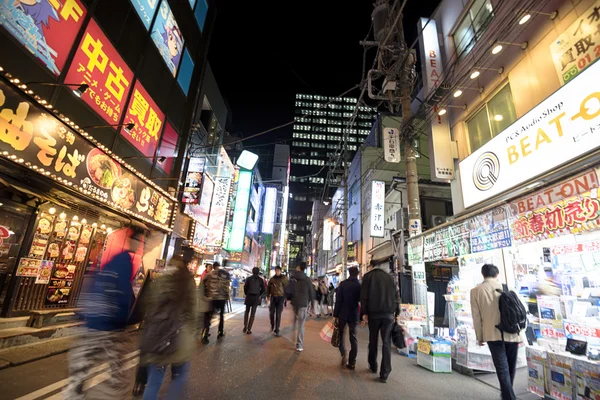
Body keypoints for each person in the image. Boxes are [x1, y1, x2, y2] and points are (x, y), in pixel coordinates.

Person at [64, 228, 144, 399]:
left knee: (80, 371)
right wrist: (123, 321)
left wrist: (84, 313)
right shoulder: (125, 263)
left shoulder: (114, 260)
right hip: (109, 327)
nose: (141, 246)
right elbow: (121, 294)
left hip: (92, 322)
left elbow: (95, 284)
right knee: (119, 377)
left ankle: (74, 394)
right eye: (141, 242)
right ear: (135, 242)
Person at [140, 256, 197, 400]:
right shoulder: (187, 281)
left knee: (153, 383)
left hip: (157, 336)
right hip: (179, 337)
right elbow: (193, 310)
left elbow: (147, 306)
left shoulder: (159, 280)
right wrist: (193, 331)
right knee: (178, 378)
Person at [470, 264, 522, 400]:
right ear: (497, 274)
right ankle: (507, 395)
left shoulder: (476, 291)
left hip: (492, 333)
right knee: (510, 367)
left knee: (502, 368)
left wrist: (479, 336)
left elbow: (476, 316)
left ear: (483, 274)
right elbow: (519, 309)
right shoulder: (507, 287)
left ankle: (508, 396)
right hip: (512, 332)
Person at [360, 261, 399, 383]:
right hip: (388, 315)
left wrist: (364, 313)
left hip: (374, 314)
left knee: (373, 340)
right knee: (386, 343)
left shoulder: (368, 276)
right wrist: (396, 312)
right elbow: (396, 295)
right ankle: (385, 372)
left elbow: (364, 296)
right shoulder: (389, 277)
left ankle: (373, 365)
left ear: (371, 266)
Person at [334, 267, 361, 369]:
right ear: (357, 274)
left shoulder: (343, 284)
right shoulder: (359, 285)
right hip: (353, 314)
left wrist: (335, 315)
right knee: (353, 337)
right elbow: (361, 301)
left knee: (340, 335)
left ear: (349, 273)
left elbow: (338, 300)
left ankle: (343, 354)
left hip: (342, 313)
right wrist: (362, 316)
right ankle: (352, 362)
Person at [204, 260, 231, 338]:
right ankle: (220, 332)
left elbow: (205, 285)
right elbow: (227, 286)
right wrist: (227, 296)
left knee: (209, 315)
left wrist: (207, 295)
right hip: (222, 298)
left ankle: (205, 333)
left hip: (212, 297)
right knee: (221, 315)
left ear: (213, 266)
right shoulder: (225, 274)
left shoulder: (209, 274)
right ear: (219, 266)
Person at [291, 262, 314, 352]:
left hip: (295, 302)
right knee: (301, 324)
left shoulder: (293, 277)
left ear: (299, 267)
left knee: (295, 320)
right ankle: (299, 344)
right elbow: (311, 291)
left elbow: (289, 288)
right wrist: (312, 303)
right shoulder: (307, 279)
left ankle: (293, 335)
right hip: (303, 303)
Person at [243, 267, 265, 334]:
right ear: (258, 272)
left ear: (252, 271)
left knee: (247, 311)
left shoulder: (249, 279)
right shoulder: (260, 280)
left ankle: (245, 326)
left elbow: (245, 287)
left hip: (249, 296)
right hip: (256, 298)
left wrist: (247, 293)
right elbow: (263, 289)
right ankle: (249, 329)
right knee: (253, 314)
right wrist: (259, 294)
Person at [268, 266, 288, 336]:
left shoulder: (284, 278)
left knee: (278, 314)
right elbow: (268, 288)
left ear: (280, 271)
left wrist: (285, 298)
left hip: (280, 298)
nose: (277, 272)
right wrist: (268, 296)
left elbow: (286, 288)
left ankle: (277, 330)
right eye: (276, 270)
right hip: (273, 298)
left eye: (278, 271)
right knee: (271, 313)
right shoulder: (272, 279)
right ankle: (272, 325)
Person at [198, 269, 213, 344]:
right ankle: (204, 337)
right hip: (205, 306)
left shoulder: (204, 285)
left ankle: (205, 335)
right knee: (206, 322)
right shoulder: (204, 286)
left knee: (206, 323)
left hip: (207, 307)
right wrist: (209, 299)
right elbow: (201, 296)